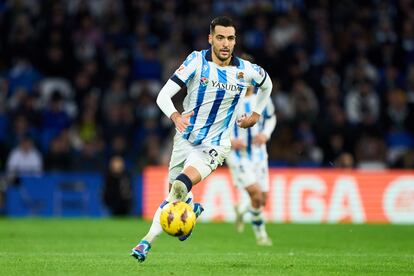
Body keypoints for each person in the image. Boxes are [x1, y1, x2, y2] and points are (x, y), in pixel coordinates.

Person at [131, 16, 273, 262]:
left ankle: (145, 243)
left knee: (179, 186)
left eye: (230, 38)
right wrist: (176, 116)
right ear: (211, 39)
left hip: (214, 146)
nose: (225, 43)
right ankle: (191, 212)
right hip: (185, 140)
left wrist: (257, 113)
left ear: (234, 40)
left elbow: (267, 84)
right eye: (220, 38)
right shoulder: (196, 62)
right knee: (175, 199)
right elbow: (163, 95)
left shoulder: (245, 71)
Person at [226, 82, 276, 246]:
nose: (249, 84)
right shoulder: (230, 99)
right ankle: (261, 236)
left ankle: (241, 210)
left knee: (262, 200)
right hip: (238, 156)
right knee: (255, 193)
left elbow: (271, 118)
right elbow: (219, 125)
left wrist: (265, 134)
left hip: (259, 154)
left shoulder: (262, 99)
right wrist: (231, 141)